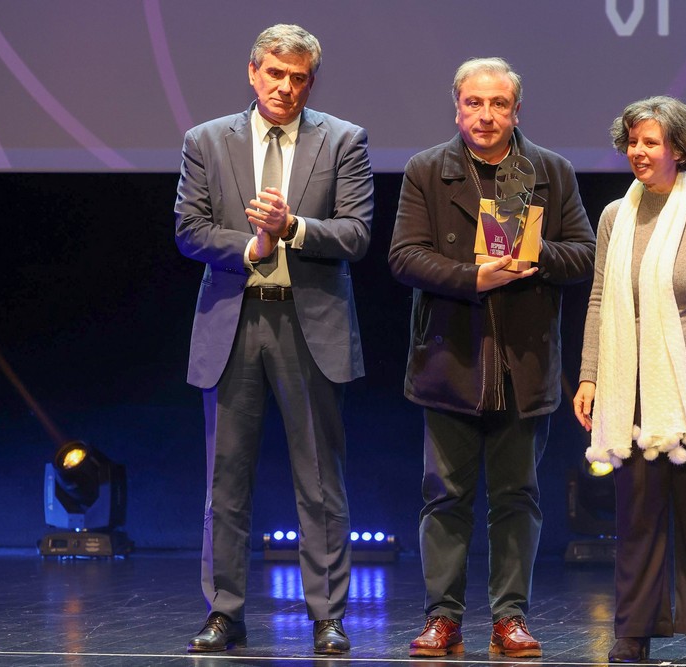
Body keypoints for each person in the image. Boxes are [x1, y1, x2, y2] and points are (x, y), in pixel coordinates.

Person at [174, 24, 374, 655]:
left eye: (299, 78)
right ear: (253, 72)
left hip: (308, 322)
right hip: (233, 320)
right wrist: (250, 246)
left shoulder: (343, 139)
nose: (286, 88)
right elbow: (189, 230)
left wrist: (292, 229)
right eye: (275, 74)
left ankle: (327, 616)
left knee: (320, 482)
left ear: (310, 81)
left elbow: (356, 234)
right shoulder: (206, 140)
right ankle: (224, 612)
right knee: (225, 479)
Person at [389, 57, 596, 659]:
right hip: (450, 356)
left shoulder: (549, 172)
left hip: (524, 361)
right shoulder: (428, 170)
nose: (486, 115)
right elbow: (404, 257)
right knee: (445, 496)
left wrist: (538, 256)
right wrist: (470, 277)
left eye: (499, 104)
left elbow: (583, 254)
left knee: (517, 497)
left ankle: (510, 618)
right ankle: (442, 618)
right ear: (457, 107)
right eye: (475, 104)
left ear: (516, 110)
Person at [573, 96, 686, 664]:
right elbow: (602, 297)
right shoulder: (615, 216)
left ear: (679, 149)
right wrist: (590, 376)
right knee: (638, 509)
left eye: (650, 142)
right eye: (632, 141)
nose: (638, 151)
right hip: (631, 378)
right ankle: (634, 627)